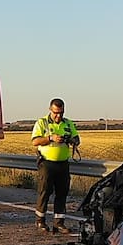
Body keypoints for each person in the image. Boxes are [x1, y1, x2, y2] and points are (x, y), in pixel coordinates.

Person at [30, 97, 80, 234]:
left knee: (62, 193)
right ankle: (40, 221)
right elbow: (35, 141)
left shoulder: (68, 123)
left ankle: (59, 223)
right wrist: (50, 138)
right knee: (45, 191)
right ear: (50, 110)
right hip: (47, 163)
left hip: (63, 163)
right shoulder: (42, 123)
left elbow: (77, 139)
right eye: (56, 113)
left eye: (61, 113)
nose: (58, 116)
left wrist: (71, 140)